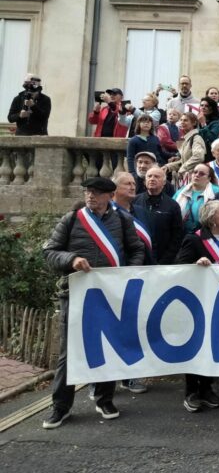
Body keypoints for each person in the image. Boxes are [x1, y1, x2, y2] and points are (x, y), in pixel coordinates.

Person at [42, 177, 146, 429]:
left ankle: (104, 398)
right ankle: (61, 407)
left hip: (110, 295)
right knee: (70, 352)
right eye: (89, 191)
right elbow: (49, 251)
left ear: (110, 196)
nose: (91, 196)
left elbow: (136, 250)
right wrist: (72, 259)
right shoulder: (72, 219)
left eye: (97, 193)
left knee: (108, 347)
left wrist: (126, 275)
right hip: (76, 295)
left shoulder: (122, 220)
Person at [174, 200, 219, 413]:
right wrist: (196, 265)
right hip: (200, 301)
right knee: (197, 345)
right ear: (212, 219)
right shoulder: (194, 240)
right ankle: (191, 391)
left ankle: (207, 387)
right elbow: (178, 268)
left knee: (213, 344)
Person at [133, 166, 182, 265]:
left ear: (164, 182)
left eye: (156, 176)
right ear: (144, 181)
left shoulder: (173, 205)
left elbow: (177, 236)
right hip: (138, 259)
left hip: (163, 260)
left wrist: (165, 261)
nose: (152, 179)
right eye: (149, 176)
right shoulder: (134, 202)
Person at [173, 163, 219, 233]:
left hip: (204, 234)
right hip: (180, 233)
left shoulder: (216, 192)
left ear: (209, 179)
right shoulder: (181, 191)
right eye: (195, 172)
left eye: (201, 174)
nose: (197, 175)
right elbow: (171, 209)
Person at [164, 112, 207, 181]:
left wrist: (183, 168)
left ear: (194, 123)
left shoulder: (196, 138)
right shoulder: (185, 139)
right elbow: (184, 161)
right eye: (181, 120)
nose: (182, 122)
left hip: (194, 178)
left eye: (185, 120)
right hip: (186, 177)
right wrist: (168, 166)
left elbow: (199, 157)